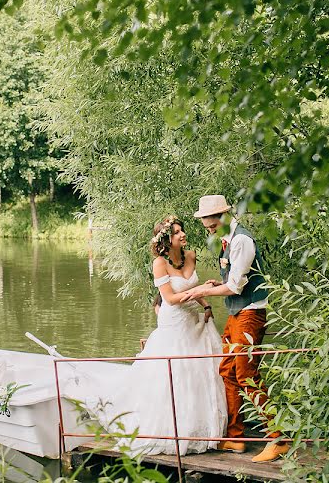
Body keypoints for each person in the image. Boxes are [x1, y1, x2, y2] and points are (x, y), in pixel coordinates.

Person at [83, 216, 226, 456]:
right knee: (175, 373)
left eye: (182, 231)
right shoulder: (159, 263)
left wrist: (206, 304)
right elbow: (169, 298)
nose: (182, 235)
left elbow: (190, 288)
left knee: (199, 371)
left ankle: (201, 428)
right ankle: (171, 429)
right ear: (166, 240)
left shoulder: (190, 256)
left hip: (193, 319)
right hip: (174, 322)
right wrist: (203, 291)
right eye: (176, 232)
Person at [181, 194, 290, 462]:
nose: (210, 231)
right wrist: (210, 285)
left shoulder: (242, 240)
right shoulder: (227, 239)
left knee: (246, 375)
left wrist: (198, 292)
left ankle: (278, 439)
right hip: (236, 314)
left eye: (211, 226)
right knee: (227, 371)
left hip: (250, 314)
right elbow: (230, 279)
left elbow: (235, 287)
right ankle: (235, 437)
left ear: (223, 217)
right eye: (207, 228)